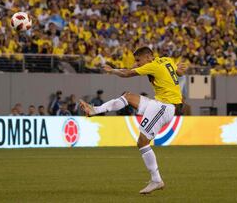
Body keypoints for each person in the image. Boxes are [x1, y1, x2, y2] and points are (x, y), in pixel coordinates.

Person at [80, 46, 187, 194]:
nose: (137, 63)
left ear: (149, 57)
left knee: (142, 142)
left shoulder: (152, 66)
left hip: (164, 106)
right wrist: (178, 71)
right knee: (128, 97)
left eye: (138, 60)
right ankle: (94, 110)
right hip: (159, 103)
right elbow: (174, 70)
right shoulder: (166, 60)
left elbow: (126, 73)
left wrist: (112, 70)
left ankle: (156, 180)